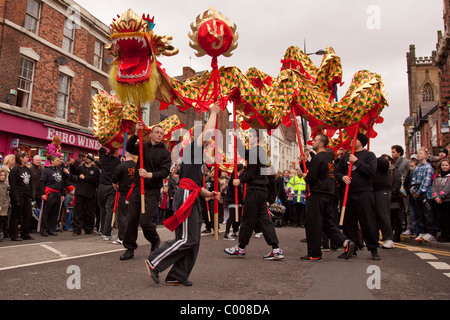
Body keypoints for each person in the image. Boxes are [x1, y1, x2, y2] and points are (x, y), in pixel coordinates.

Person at [145, 102, 220, 286]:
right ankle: (154, 261)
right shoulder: (193, 148)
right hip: (185, 196)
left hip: (191, 194)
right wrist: (214, 112)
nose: (211, 139)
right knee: (187, 238)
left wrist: (208, 194)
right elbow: (209, 132)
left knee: (193, 240)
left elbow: (192, 183)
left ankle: (177, 275)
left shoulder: (197, 155)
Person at [224, 129, 284, 261]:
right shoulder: (258, 152)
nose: (249, 138)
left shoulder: (255, 152)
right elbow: (244, 154)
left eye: (251, 136)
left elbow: (251, 173)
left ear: (257, 139)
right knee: (264, 219)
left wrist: (240, 180)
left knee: (247, 219)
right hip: (261, 190)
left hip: (255, 190)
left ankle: (241, 247)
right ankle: (276, 248)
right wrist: (238, 138)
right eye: (248, 136)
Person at [119, 123, 172, 261]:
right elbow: (129, 147)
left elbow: (165, 171)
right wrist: (136, 132)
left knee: (146, 222)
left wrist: (149, 175)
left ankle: (154, 240)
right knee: (131, 219)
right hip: (138, 188)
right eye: (157, 132)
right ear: (152, 134)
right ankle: (129, 248)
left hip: (152, 191)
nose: (160, 134)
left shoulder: (165, 153)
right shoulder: (143, 146)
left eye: (162, 133)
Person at [301, 134, 356, 261]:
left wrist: (306, 177)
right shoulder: (328, 158)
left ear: (321, 144)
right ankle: (345, 242)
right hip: (328, 195)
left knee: (313, 224)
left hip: (317, 195)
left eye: (315, 140)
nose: (312, 142)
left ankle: (314, 254)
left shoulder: (319, 158)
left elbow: (312, 177)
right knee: (327, 224)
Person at [335, 133, 380, 260]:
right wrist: (342, 177)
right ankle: (351, 249)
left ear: (361, 141)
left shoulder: (369, 155)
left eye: (354, 139)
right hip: (348, 194)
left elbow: (371, 171)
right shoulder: (345, 157)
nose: (351, 141)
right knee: (349, 223)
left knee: (367, 221)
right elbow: (337, 171)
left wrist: (357, 162)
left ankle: (373, 248)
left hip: (364, 193)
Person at [410, 147, 436, 241]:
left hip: (426, 195)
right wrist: (413, 191)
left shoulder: (428, 167)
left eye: (420, 153)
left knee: (427, 213)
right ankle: (422, 231)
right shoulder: (416, 168)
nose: (418, 154)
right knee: (419, 213)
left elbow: (427, 182)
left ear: (426, 155)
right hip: (417, 194)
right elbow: (413, 180)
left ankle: (431, 232)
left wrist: (419, 192)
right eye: (418, 153)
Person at [70, 153, 100, 236]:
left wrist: (85, 178)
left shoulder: (95, 169)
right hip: (80, 192)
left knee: (90, 213)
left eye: (89, 157)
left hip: (90, 194)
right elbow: (73, 172)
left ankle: (89, 229)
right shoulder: (80, 168)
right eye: (86, 157)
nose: (87, 158)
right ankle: (76, 230)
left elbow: (95, 180)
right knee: (78, 212)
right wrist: (72, 165)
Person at [111, 151, 136, 245]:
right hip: (134, 193)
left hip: (124, 193)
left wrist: (116, 188)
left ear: (125, 155)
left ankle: (122, 237)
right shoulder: (137, 166)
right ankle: (131, 236)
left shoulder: (121, 166)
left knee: (122, 215)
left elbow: (114, 180)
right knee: (131, 216)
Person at [40, 154, 67, 236]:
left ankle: (51, 228)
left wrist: (62, 194)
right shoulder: (46, 171)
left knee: (55, 212)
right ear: (52, 161)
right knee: (47, 212)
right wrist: (43, 193)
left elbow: (61, 183)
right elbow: (42, 182)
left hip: (57, 193)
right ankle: (44, 229)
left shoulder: (59, 170)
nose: (59, 162)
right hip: (50, 193)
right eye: (57, 160)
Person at [8, 151, 34, 241]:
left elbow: (30, 184)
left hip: (27, 196)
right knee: (16, 216)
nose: (27, 159)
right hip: (18, 196)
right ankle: (14, 235)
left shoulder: (27, 170)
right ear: (21, 158)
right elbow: (13, 186)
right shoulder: (15, 170)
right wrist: (16, 198)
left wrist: (31, 195)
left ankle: (25, 233)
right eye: (26, 157)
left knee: (28, 215)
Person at [97, 147, 121, 241]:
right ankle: (106, 233)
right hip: (111, 186)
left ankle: (102, 230)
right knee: (109, 210)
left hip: (101, 186)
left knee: (103, 209)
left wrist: (106, 146)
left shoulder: (104, 158)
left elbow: (101, 150)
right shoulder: (118, 162)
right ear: (116, 152)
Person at [372, 155, 394, 249]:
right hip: (373, 191)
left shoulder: (381, 163)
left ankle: (388, 238)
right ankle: (375, 238)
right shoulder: (372, 165)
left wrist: (373, 158)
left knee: (383, 214)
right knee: (374, 217)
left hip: (382, 191)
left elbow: (384, 163)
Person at [391, 145, 412, 236]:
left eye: (394, 152)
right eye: (391, 152)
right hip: (397, 189)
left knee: (408, 209)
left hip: (405, 189)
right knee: (399, 210)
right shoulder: (393, 164)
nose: (392, 154)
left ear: (399, 153)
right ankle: (401, 228)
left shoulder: (406, 162)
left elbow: (410, 175)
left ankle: (409, 227)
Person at [431, 158, 450, 242]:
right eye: (443, 165)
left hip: (447, 200)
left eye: (446, 165)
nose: (444, 167)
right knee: (441, 218)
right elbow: (433, 188)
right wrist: (435, 197)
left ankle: (447, 235)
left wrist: (440, 196)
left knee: (447, 219)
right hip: (438, 201)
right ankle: (442, 234)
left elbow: (447, 188)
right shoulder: (437, 176)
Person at [224, 164, 244, 240]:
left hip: (238, 200)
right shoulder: (233, 179)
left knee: (237, 217)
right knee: (232, 217)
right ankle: (226, 233)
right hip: (233, 200)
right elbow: (234, 191)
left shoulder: (239, 178)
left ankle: (235, 231)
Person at [0, 168, 9, 240]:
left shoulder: (5, 185)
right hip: (0, 204)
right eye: (1, 175)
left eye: (4, 175)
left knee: (3, 220)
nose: (3, 176)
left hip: (5, 204)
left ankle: (3, 232)